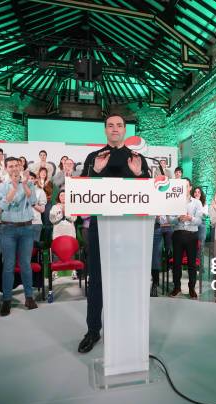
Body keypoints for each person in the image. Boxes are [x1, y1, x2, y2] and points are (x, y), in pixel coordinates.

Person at [77, 114, 150, 354]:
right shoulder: (93, 158)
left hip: (131, 230)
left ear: (125, 129)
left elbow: (149, 195)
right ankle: (93, 330)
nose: (115, 129)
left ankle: (127, 329)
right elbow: (83, 194)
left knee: (128, 279)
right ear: (105, 130)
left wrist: (140, 176)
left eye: (119, 125)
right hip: (100, 228)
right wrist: (95, 172)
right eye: (111, 125)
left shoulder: (137, 158)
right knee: (96, 279)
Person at [0, 157, 38, 316]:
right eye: (10, 166)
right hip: (8, 229)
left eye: (16, 165)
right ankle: (7, 300)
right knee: (9, 265)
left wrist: (25, 184)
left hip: (27, 228)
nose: (14, 168)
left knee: (26, 264)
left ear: (20, 167)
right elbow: (2, 207)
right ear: (6, 168)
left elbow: (33, 200)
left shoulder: (29, 183)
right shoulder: (0, 187)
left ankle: (29, 297)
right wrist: (13, 188)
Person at [169, 177, 203, 299]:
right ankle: (177, 287)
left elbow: (199, 221)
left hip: (191, 235)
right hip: (178, 234)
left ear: (190, 187)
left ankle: (191, 288)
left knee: (191, 264)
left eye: (186, 185)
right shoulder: (174, 201)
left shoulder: (197, 203)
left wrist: (190, 218)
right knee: (176, 263)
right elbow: (170, 219)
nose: (184, 188)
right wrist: (177, 218)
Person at [49, 190, 77, 279]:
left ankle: (73, 271)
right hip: (58, 232)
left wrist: (66, 211)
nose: (63, 197)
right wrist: (61, 212)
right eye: (61, 195)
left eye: (65, 195)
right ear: (58, 197)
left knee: (71, 250)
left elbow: (74, 218)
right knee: (56, 252)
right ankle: (55, 272)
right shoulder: (54, 207)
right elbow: (52, 219)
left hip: (70, 232)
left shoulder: (72, 205)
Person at [29, 171, 47, 243]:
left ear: (35, 180)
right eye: (28, 178)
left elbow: (42, 210)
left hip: (35, 223)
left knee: (34, 248)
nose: (30, 180)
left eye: (32, 178)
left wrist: (33, 204)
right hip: (21, 224)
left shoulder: (40, 191)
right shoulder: (19, 191)